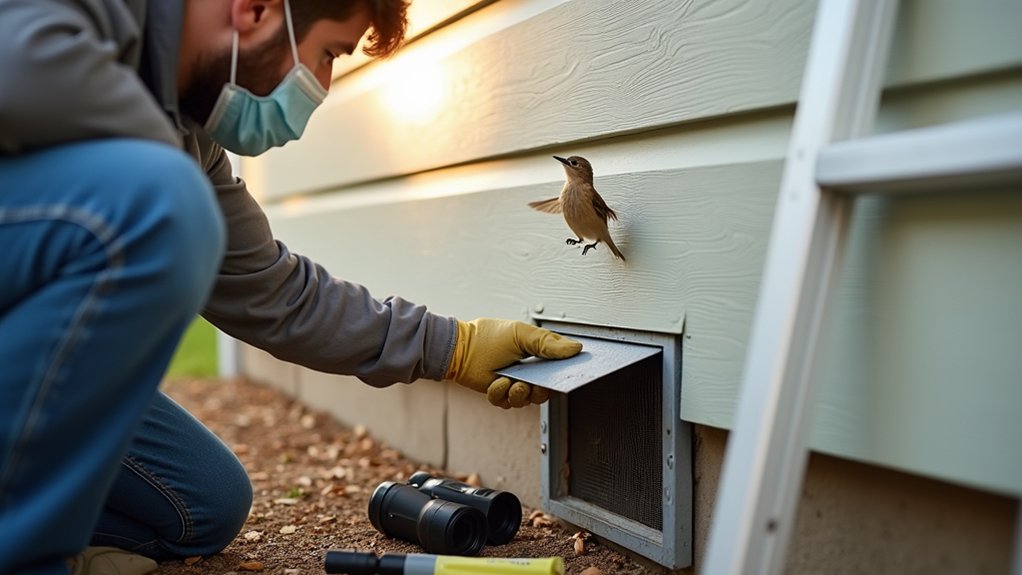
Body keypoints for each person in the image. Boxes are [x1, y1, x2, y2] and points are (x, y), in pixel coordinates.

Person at [0, 0, 582, 573]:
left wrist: (453, 347)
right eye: (328, 54)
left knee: (203, 502)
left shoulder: (186, 143)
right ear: (255, 11)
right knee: (162, 202)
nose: (323, 86)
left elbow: (274, 292)